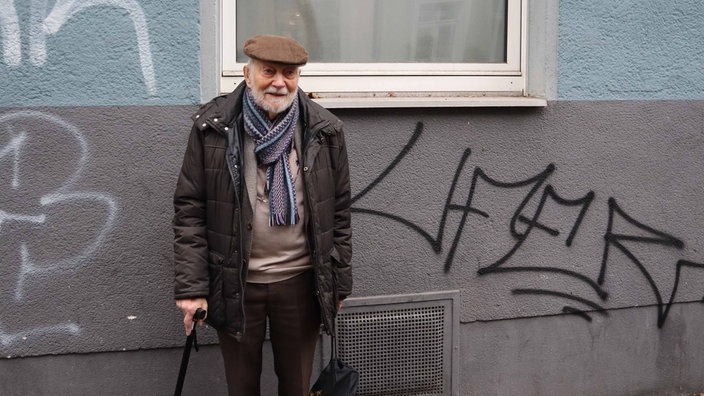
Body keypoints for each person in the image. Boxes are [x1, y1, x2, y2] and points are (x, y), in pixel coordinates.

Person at [172, 34, 352, 396]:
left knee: (297, 386)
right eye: (268, 71)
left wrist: (339, 281)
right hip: (236, 283)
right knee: (242, 388)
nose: (279, 82)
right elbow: (189, 210)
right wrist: (192, 289)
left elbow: (340, 210)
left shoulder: (324, 129)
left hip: (301, 282)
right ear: (247, 73)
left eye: (289, 73)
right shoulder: (214, 128)